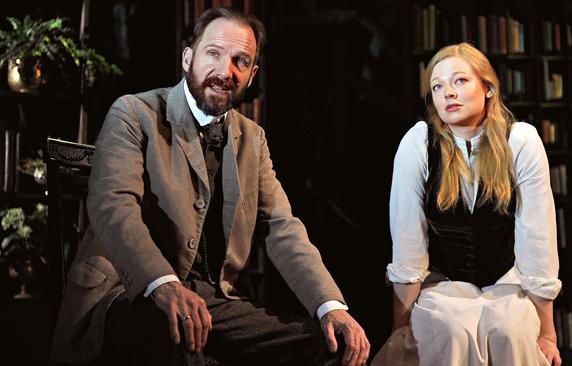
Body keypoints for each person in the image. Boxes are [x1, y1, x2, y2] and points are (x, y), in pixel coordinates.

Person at [51, 7, 370, 366]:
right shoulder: (133, 113)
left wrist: (331, 306)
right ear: (188, 58)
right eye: (214, 54)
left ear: (252, 74)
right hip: (128, 295)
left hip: (214, 304)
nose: (225, 71)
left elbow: (283, 228)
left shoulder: (253, 138)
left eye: (240, 61)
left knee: (331, 346)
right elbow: (113, 206)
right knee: (180, 338)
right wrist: (163, 283)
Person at [374, 43, 562, 366]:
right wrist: (399, 327)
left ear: (487, 88)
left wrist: (547, 332)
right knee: (448, 331)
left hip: (506, 283)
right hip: (443, 285)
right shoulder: (418, 145)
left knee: (511, 333)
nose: (448, 92)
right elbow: (408, 247)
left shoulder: (521, 142)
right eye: (437, 85)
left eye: (460, 81)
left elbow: (538, 241)